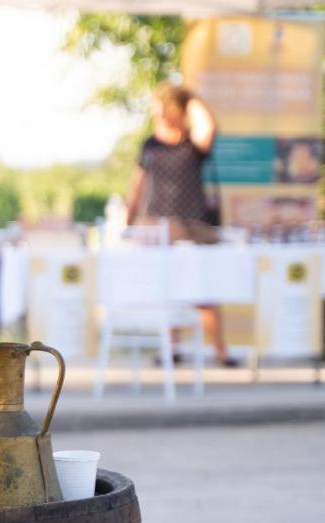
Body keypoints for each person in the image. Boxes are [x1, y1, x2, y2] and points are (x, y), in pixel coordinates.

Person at [125, 84, 236, 367]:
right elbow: (138, 185)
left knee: (203, 288)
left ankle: (220, 349)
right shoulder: (150, 144)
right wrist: (129, 218)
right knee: (167, 288)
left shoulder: (193, 144)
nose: (161, 113)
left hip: (191, 226)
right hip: (157, 226)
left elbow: (208, 128)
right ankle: (171, 348)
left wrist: (190, 97)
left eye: (166, 107)